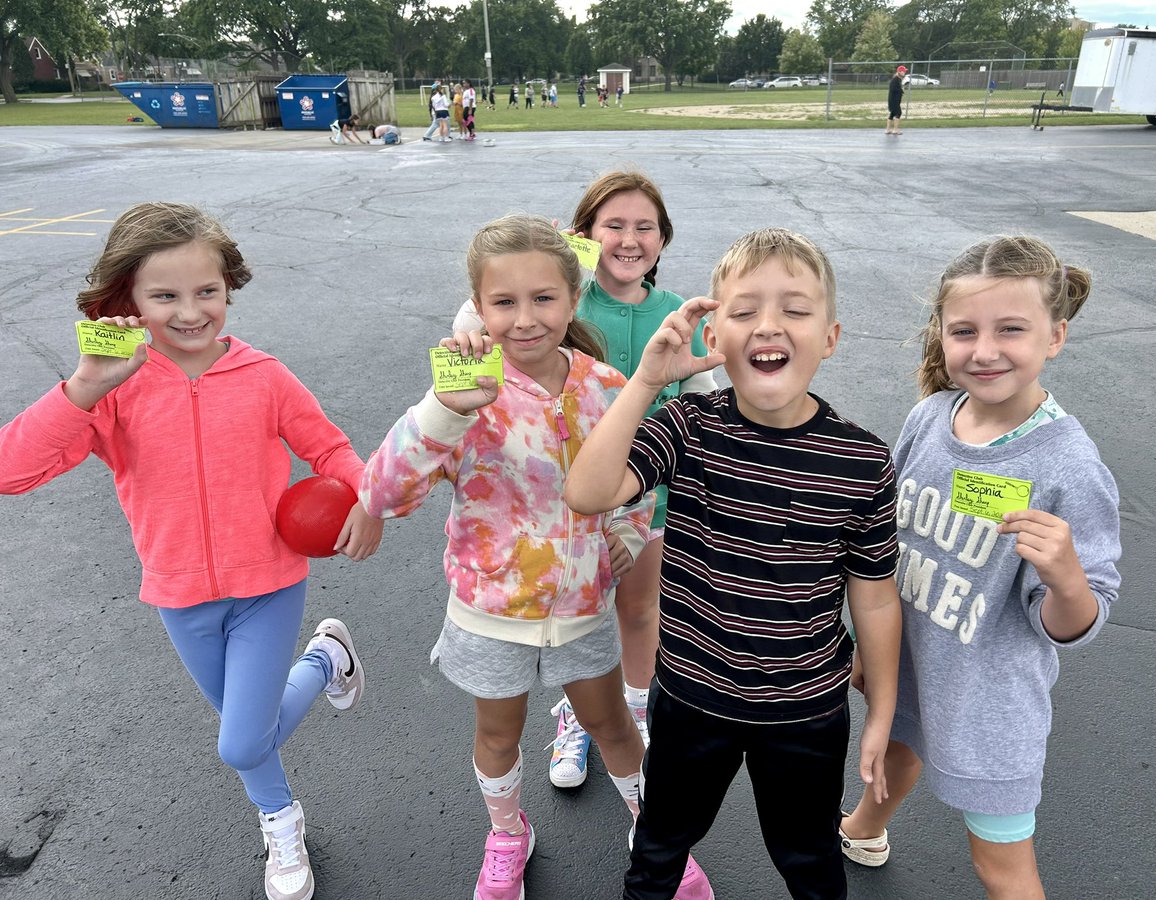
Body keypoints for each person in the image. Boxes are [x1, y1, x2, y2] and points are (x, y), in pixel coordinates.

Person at [0, 202, 385, 900]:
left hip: (268, 584)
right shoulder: (112, 390)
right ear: (127, 300)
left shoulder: (264, 375)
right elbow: (11, 470)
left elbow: (328, 446)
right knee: (253, 731)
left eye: (206, 291)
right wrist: (84, 386)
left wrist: (366, 497)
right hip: (179, 595)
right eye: (164, 295)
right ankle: (315, 705)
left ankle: (292, 781)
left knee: (240, 741)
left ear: (228, 288)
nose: (189, 310)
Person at [565, 228, 904, 900]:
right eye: (744, 311)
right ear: (715, 337)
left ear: (829, 337)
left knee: (809, 860)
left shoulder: (862, 461)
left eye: (795, 310)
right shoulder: (687, 427)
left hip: (807, 712)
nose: (768, 325)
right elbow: (588, 492)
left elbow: (875, 596)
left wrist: (884, 711)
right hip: (693, 696)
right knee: (659, 846)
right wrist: (647, 380)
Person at [360, 215, 657, 900]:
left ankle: (655, 829)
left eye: (544, 299)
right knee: (498, 737)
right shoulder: (466, 393)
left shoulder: (606, 387)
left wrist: (630, 534)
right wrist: (445, 408)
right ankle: (506, 834)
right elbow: (382, 494)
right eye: (504, 303)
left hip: (584, 610)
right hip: (489, 614)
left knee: (613, 723)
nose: (525, 320)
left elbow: (643, 483)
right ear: (477, 306)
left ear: (573, 299)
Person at [838, 236, 1121, 900]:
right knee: (894, 751)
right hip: (907, 658)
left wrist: (1068, 580)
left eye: (1011, 330)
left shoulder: (1068, 467)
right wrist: (868, 647)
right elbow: (890, 540)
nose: (985, 350)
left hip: (989, 704)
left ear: (1055, 336)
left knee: (1001, 868)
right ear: (941, 333)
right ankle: (862, 827)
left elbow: (1078, 619)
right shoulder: (931, 417)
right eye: (965, 330)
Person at [451, 171, 718, 788]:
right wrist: (473, 317)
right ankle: (576, 717)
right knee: (577, 615)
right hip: (557, 502)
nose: (629, 239)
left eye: (644, 227)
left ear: (663, 238)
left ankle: (632, 711)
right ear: (585, 239)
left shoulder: (677, 312)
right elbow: (494, 293)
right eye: (612, 226)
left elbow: (703, 395)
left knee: (638, 609)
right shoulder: (566, 300)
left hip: (644, 494)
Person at [886, 65, 907, 135]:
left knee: (892, 114)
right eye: (903, 71)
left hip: (895, 100)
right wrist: (901, 90)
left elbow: (897, 89)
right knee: (898, 113)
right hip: (893, 100)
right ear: (899, 72)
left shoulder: (898, 79)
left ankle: (888, 130)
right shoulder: (895, 79)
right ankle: (895, 130)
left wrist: (901, 91)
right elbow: (893, 89)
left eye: (904, 71)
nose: (904, 73)